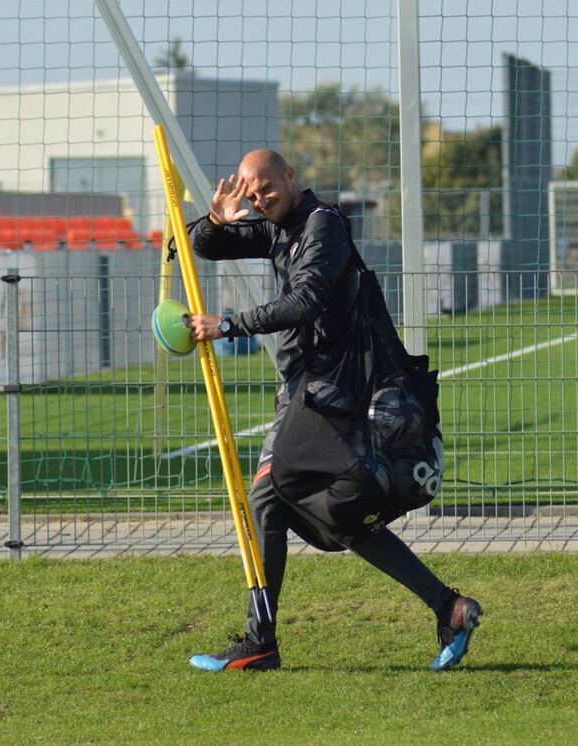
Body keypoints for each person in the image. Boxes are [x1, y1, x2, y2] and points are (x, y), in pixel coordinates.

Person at [184, 149, 481, 672]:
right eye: (251, 196)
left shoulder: (324, 227)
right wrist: (213, 220)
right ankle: (448, 608)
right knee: (331, 519)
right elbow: (201, 246)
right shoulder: (276, 225)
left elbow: (306, 300)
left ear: (291, 177)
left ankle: (261, 641)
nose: (259, 200)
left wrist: (227, 325)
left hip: (332, 391)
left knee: (267, 496)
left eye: (266, 189)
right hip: (307, 390)